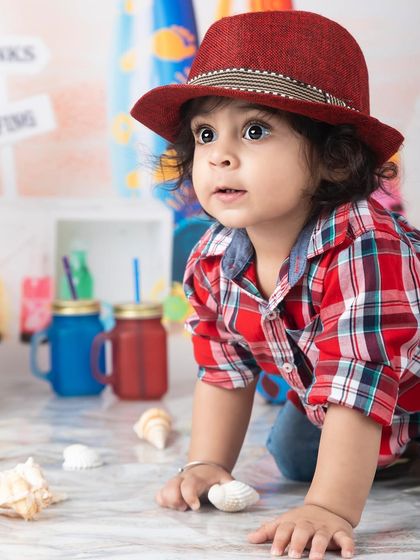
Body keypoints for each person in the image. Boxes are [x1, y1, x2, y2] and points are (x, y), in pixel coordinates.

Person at [130, 10, 420, 560]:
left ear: (333, 160)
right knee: (292, 451)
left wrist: (328, 508)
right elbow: (222, 369)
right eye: (206, 133)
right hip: (342, 392)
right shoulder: (214, 258)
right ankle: (398, 451)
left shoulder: (366, 247)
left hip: (400, 378)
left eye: (255, 130)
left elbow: (358, 381)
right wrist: (206, 463)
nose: (219, 154)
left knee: (336, 451)